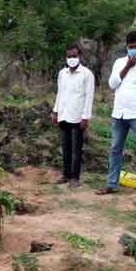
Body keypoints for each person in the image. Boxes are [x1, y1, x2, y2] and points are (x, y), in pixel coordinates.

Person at [96, 31, 136, 202]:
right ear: (126, 46)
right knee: (115, 149)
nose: (133, 50)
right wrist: (127, 67)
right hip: (119, 112)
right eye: (131, 47)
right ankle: (112, 183)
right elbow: (112, 84)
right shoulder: (119, 63)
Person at [53, 43, 95, 189]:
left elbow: (89, 96)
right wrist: (55, 111)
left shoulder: (87, 74)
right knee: (65, 147)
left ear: (79, 56)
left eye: (74, 56)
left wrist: (86, 117)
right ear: (66, 57)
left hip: (78, 116)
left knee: (77, 149)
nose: (71, 58)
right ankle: (65, 174)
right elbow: (60, 93)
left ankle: (75, 177)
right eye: (69, 56)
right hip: (64, 114)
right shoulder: (62, 74)